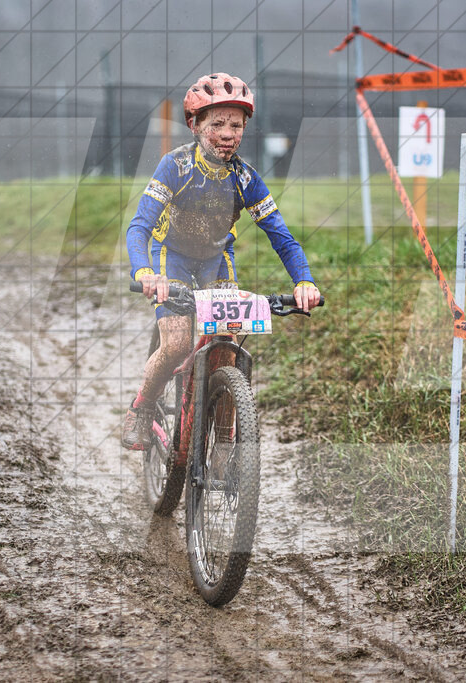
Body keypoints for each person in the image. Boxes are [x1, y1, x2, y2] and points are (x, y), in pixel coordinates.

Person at [121, 72, 321, 450]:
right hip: (172, 258)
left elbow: (282, 237)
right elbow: (140, 225)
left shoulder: (245, 178)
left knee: (227, 348)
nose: (228, 134)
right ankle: (142, 408)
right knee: (178, 344)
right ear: (195, 126)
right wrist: (145, 272)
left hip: (216, 260)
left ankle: (226, 444)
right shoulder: (175, 166)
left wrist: (303, 280)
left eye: (236, 125)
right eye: (217, 124)